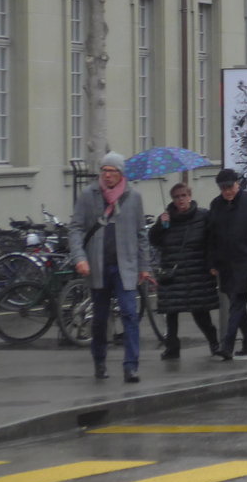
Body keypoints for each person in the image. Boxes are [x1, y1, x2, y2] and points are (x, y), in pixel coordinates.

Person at [68, 152, 152, 383]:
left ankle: (131, 366)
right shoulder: (89, 195)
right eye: (103, 170)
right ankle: (99, 360)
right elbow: (75, 229)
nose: (106, 175)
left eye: (111, 171)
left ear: (120, 174)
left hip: (125, 267)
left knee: (129, 315)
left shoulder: (133, 197)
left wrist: (144, 267)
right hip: (98, 266)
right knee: (100, 318)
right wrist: (80, 258)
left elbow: (141, 234)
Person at [149, 182, 220, 360]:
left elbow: (212, 240)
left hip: (197, 272)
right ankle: (172, 348)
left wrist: (212, 264)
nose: (180, 200)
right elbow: (155, 241)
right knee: (171, 312)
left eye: (183, 196)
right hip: (173, 272)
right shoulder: (166, 219)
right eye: (176, 197)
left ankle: (214, 343)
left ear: (190, 196)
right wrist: (159, 226)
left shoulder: (203, 216)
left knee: (201, 312)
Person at [206, 168, 247, 361]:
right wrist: (212, 261)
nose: (227, 191)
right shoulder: (216, 205)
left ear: (238, 184)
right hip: (225, 263)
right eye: (223, 188)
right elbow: (211, 236)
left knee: (237, 303)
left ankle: (227, 345)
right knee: (237, 304)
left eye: (230, 186)